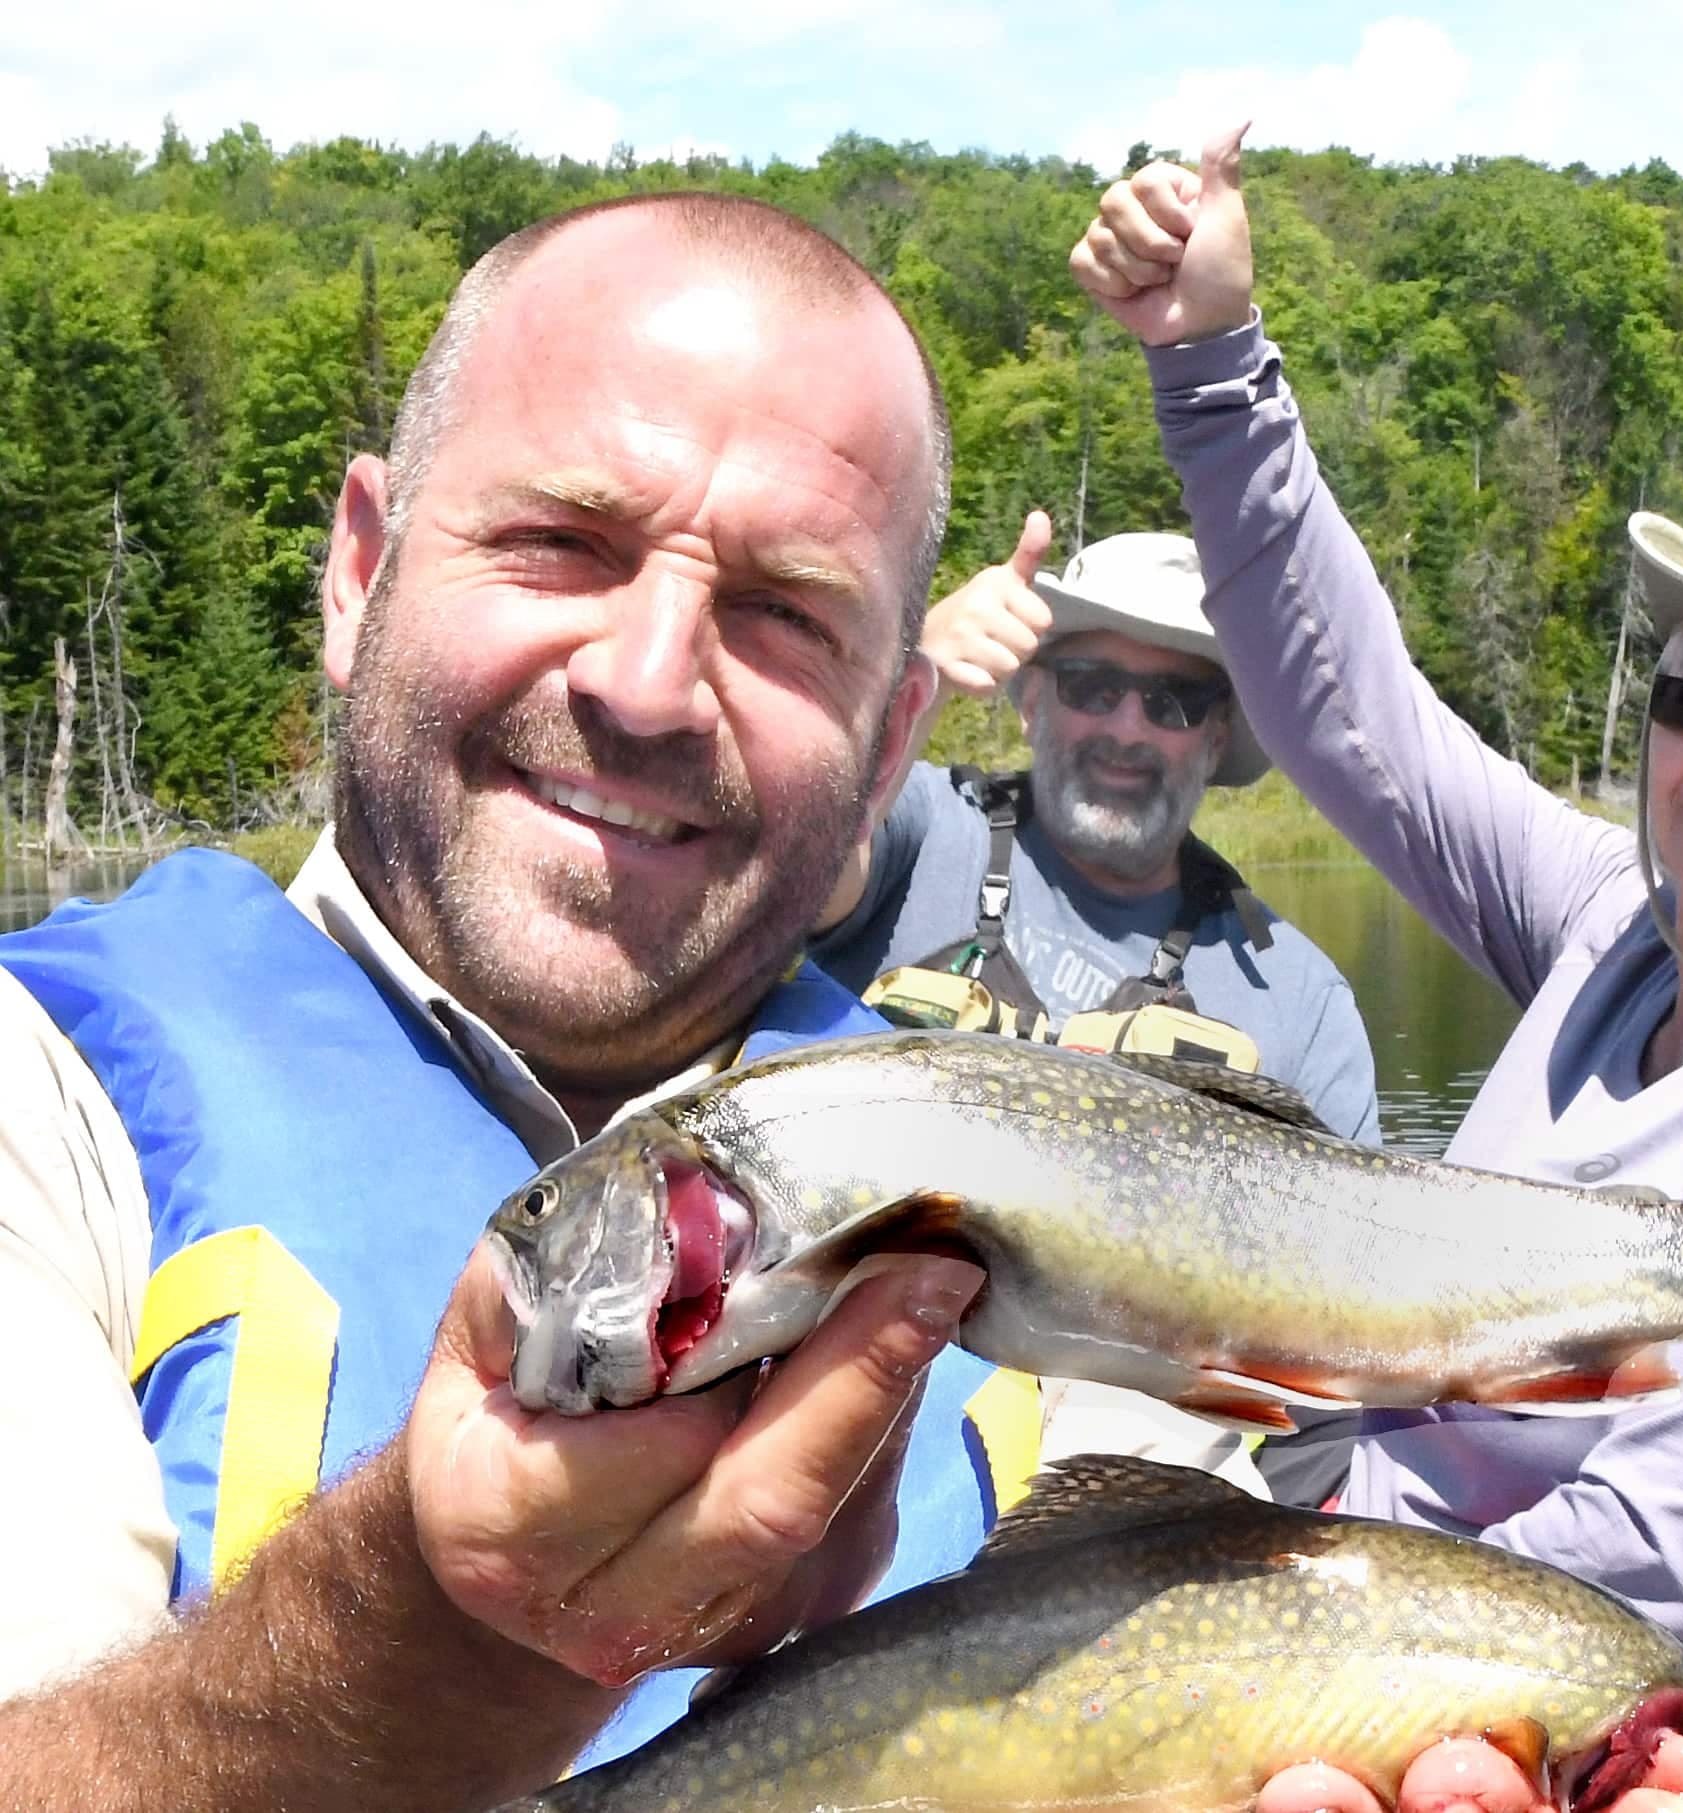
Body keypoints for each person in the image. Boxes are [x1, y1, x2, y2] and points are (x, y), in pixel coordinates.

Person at [1072, 130, 1683, 1813]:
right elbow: (1352, 717)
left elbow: (1646, 1560)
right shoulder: (1612, 918)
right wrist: (1211, 361)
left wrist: (1254, 1653)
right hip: (1428, 1619)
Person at [0, 192, 998, 1810]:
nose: (648, 679)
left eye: (784, 613)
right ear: (360, 572)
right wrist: (448, 1627)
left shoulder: (1024, 1182)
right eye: (560, 545)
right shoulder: (36, 1100)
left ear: (893, 744)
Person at [811, 517, 1379, 1505]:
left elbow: (1342, 1350)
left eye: (1169, 700)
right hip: (832, 1446)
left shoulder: (1299, 998)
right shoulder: (901, 827)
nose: (1124, 725)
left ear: (1214, 737)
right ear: (1030, 696)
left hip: (1111, 1537)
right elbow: (777, 868)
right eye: (1089, 685)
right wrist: (903, 687)